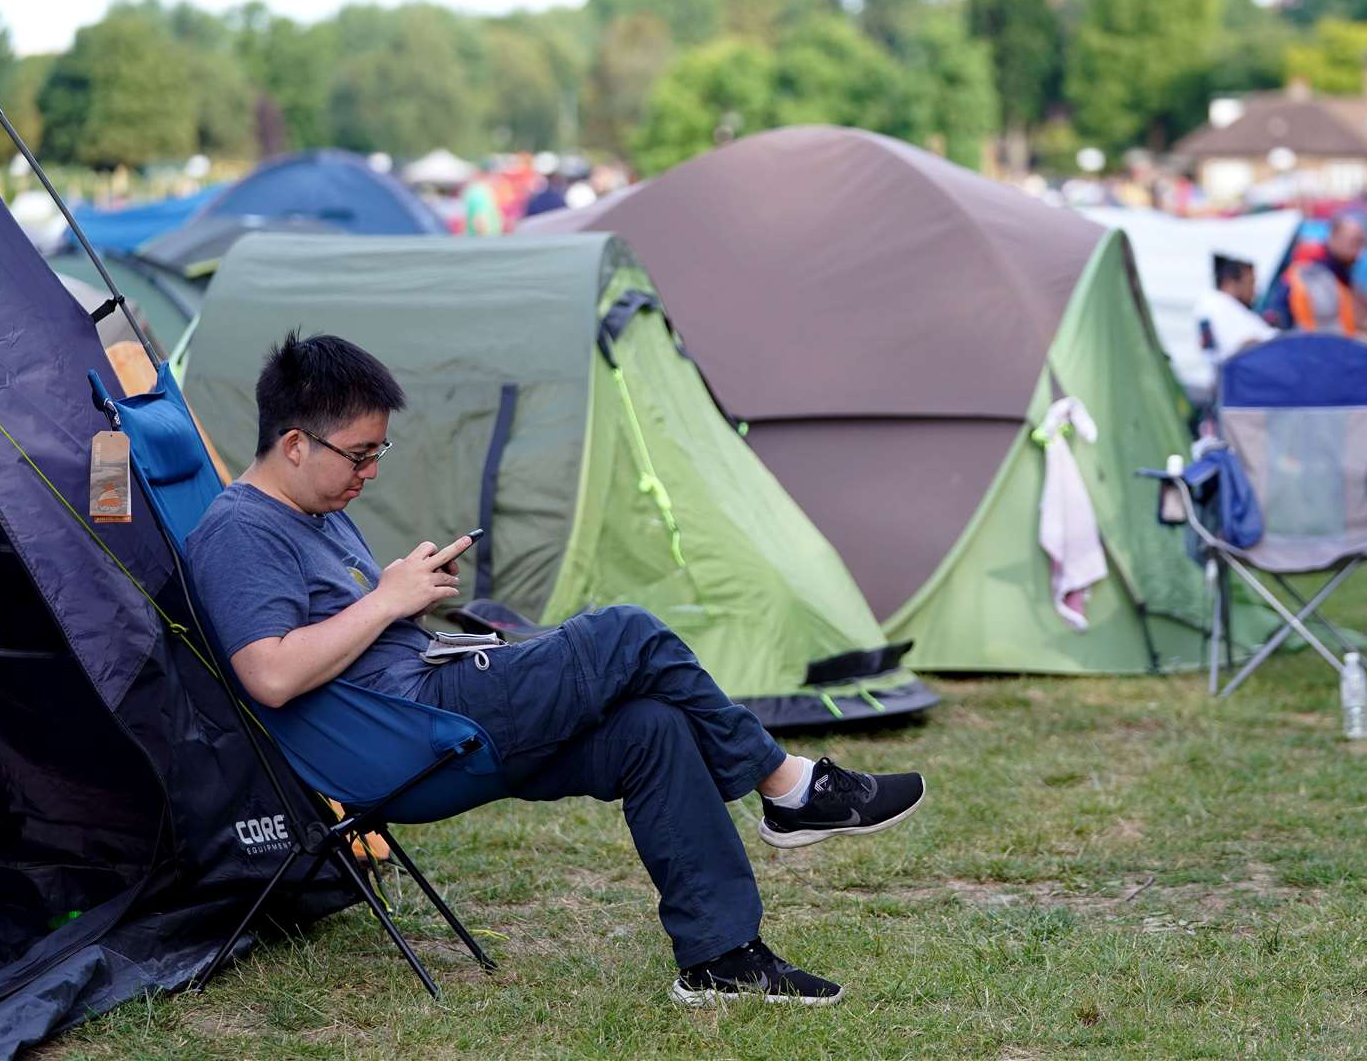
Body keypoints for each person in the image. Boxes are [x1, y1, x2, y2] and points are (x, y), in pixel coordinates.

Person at [184, 332, 927, 1008]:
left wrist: (398, 593)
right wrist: (383, 603)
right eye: (359, 454)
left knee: (651, 726)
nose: (370, 473)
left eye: (380, 452)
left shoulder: (313, 512)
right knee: (625, 632)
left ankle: (721, 958)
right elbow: (270, 675)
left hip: (435, 707)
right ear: (293, 443)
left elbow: (341, 633)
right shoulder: (242, 531)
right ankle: (786, 786)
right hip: (418, 737)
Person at [1263, 215, 1367, 335]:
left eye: (1362, 243)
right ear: (1334, 237)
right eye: (1354, 242)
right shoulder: (1314, 271)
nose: (1360, 252)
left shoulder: (1339, 269)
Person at [1193, 254, 1276, 372]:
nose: (1254, 291)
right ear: (1230, 283)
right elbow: (1242, 346)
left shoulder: (1219, 305)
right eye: (1250, 283)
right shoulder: (1218, 306)